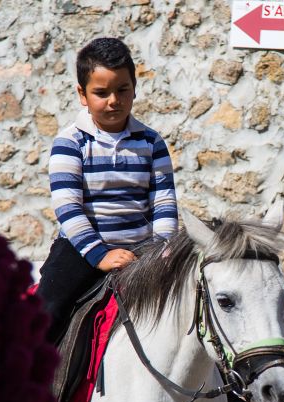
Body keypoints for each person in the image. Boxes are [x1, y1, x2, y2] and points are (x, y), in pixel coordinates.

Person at [36, 37, 178, 343]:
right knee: (44, 313)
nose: (113, 100)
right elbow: (68, 209)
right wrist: (100, 254)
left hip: (143, 252)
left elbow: (164, 202)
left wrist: (162, 250)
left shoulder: (151, 142)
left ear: (134, 88)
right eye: (101, 93)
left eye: (122, 90)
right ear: (82, 94)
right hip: (82, 249)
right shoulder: (70, 143)